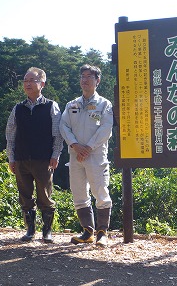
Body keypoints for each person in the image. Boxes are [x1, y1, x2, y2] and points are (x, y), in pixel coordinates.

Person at [6, 67, 63, 243]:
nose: (28, 84)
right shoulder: (18, 108)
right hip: (22, 159)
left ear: (42, 83)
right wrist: (11, 157)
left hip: (43, 159)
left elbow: (58, 134)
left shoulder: (50, 106)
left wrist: (56, 155)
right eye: (25, 80)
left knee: (45, 196)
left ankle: (47, 231)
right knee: (25, 196)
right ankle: (30, 230)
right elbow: (10, 134)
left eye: (32, 80)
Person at [60, 64, 113, 247]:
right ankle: (87, 231)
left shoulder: (104, 104)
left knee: (100, 192)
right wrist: (75, 145)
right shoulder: (72, 104)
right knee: (79, 193)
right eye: (82, 76)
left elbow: (106, 129)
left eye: (89, 76)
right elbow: (63, 126)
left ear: (97, 81)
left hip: (96, 155)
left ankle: (102, 233)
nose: (85, 80)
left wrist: (88, 148)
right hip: (75, 155)